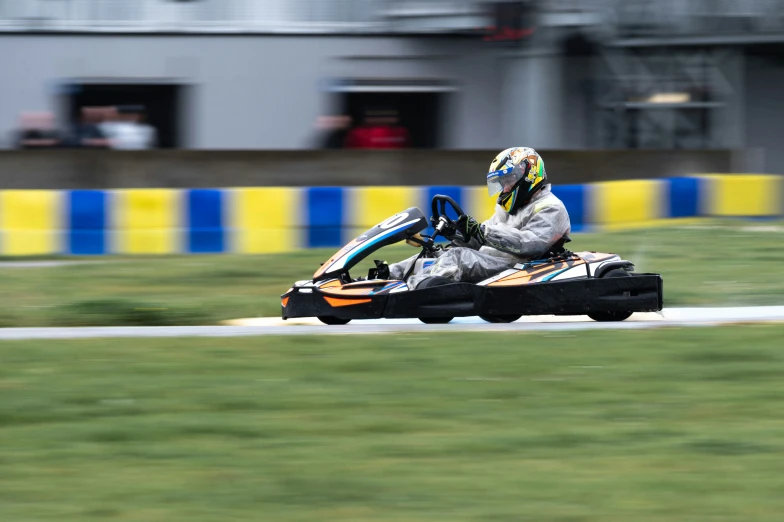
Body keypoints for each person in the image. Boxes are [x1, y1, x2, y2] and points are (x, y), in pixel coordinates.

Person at [388, 147, 571, 288]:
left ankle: (413, 291)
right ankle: (382, 277)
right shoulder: (508, 208)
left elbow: (530, 244)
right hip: (496, 260)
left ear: (528, 175)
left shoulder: (551, 207)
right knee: (433, 254)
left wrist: (483, 231)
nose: (505, 188)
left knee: (458, 257)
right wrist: (457, 234)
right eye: (503, 182)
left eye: (508, 181)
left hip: (521, 266)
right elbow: (480, 242)